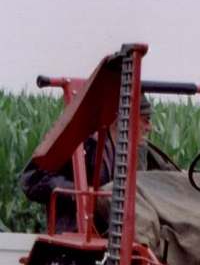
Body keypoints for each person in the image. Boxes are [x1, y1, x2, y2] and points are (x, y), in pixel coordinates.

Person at [20, 96, 171, 232]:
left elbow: (165, 177)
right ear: (126, 118)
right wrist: (82, 194)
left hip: (121, 232)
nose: (150, 127)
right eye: (146, 119)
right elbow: (32, 178)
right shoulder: (78, 141)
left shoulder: (142, 151)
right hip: (78, 232)